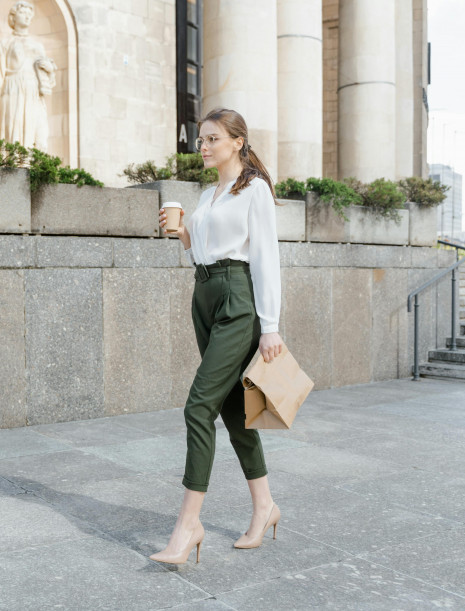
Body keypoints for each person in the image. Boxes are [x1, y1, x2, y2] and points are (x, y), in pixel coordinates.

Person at [152, 108, 284, 564]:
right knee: (231, 409)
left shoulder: (255, 191)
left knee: (198, 407)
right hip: (204, 295)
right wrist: (184, 232)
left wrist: (270, 327)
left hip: (237, 301)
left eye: (211, 139)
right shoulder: (210, 194)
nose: (202, 146)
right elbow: (202, 252)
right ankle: (264, 505)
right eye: (201, 140)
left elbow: (265, 258)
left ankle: (188, 525)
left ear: (237, 142)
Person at [0, 1, 56, 151]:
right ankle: (12, 167)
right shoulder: (5, 44)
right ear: (13, 17)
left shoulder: (38, 45)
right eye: (23, 13)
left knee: (38, 135)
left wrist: (50, 71)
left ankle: (35, 166)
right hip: (12, 90)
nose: (27, 17)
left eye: (29, 14)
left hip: (34, 93)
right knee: (13, 135)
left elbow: (48, 80)